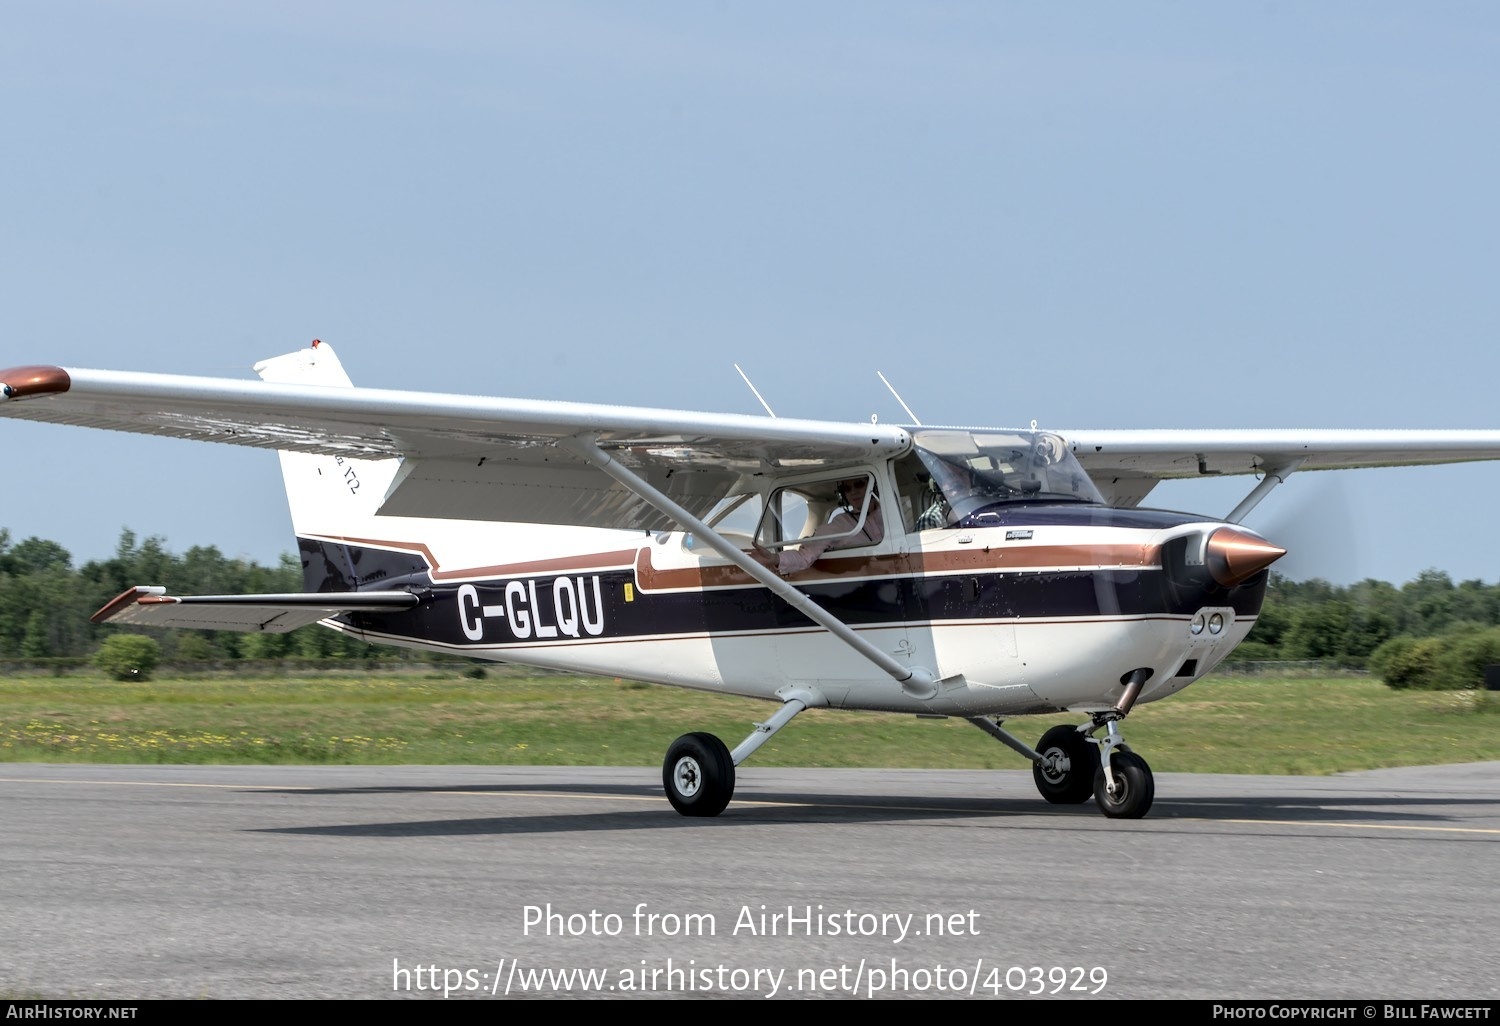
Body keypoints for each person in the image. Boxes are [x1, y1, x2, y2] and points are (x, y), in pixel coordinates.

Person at [753, 476, 884, 576]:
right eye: (847, 489)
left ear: (872, 486)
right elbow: (805, 556)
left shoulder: (890, 512)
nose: (853, 491)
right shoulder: (840, 524)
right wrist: (775, 558)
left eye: (859, 484)